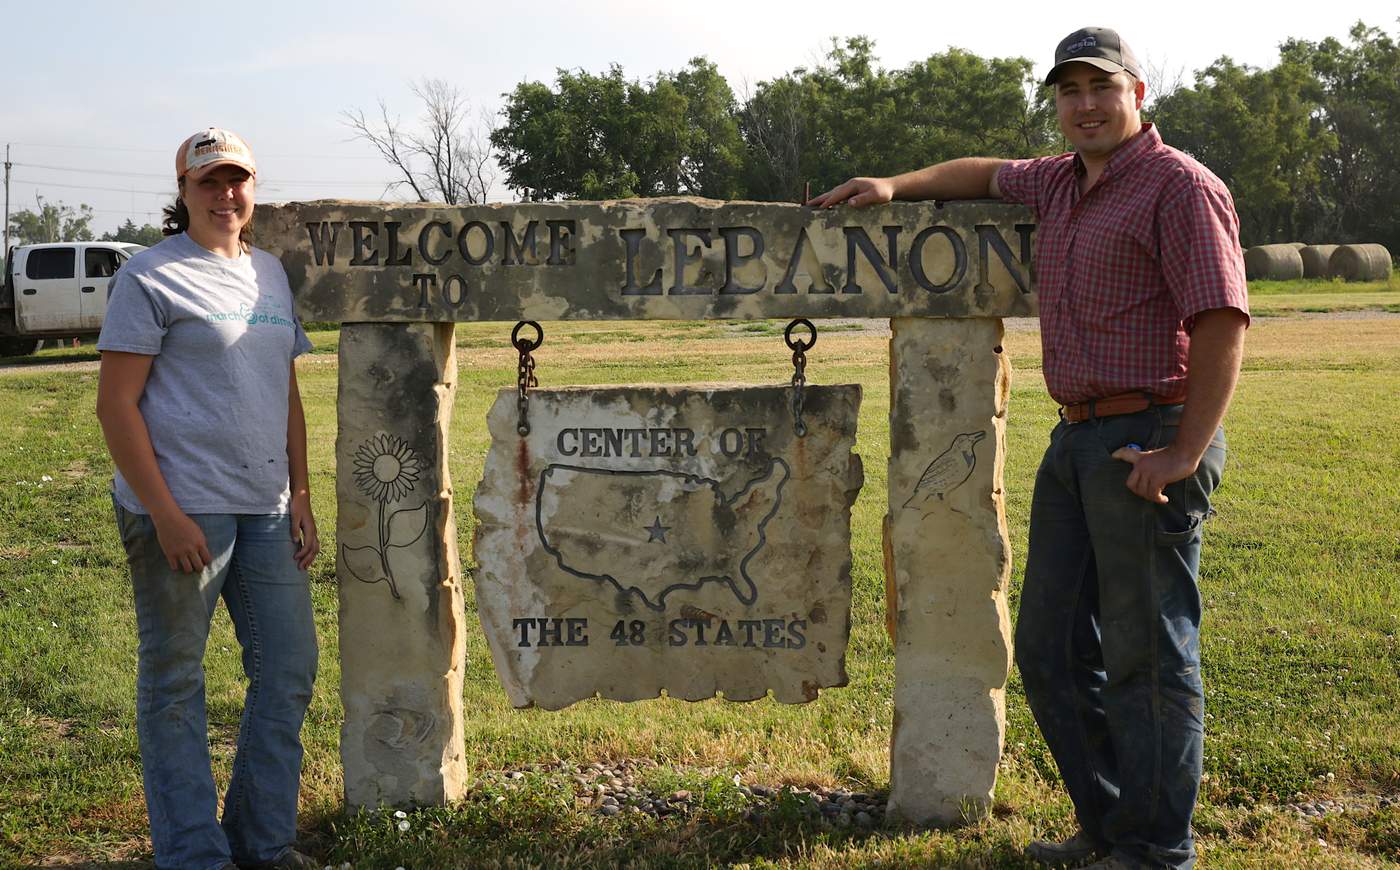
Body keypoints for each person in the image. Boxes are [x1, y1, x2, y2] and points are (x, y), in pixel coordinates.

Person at [810, 27, 1249, 870]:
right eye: (1069, 91)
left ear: (1137, 94)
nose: (1084, 105)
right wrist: (893, 185)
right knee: (1049, 647)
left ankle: (1157, 849)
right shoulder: (1059, 183)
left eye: (1101, 88)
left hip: (1148, 436)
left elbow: (1222, 322)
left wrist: (1182, 452)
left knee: (1147, 653)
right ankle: (1110, 823)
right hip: (1076, 437)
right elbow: (978, 173)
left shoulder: (1179, 187)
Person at [96, 128, 321, 870]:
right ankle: (194, 855)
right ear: (184, 191)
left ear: (253, 187)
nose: (226, 195)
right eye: (209, 183)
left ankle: (262, 841)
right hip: (184, 511)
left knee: (287, 670)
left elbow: (282, 388)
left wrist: (303, 493)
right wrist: (164, 514)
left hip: (266, 507)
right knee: (174, 682)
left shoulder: (269, 274)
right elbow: (117, 407)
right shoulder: (152, 277)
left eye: (237, 181)